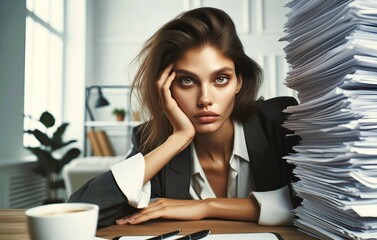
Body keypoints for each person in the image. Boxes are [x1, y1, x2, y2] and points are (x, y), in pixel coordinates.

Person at [69, 7, 300, 228]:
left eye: (220, 79)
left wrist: (207, 207)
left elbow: (320, 206)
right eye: (187, 81)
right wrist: (179, 138)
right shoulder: (153, 140)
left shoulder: (278, 123)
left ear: (239, 81)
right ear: (166, 87)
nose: (205, 99)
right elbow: (81, 211)